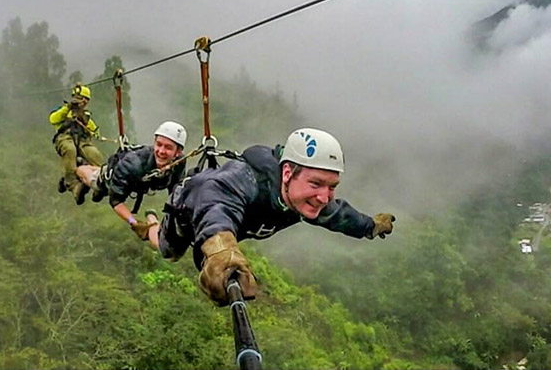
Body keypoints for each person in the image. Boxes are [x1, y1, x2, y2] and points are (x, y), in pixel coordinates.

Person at [155, 127, 395, 306]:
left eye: (332, 186)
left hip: (229, 222)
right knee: (170, 252)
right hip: (187, 210)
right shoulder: (246, 181)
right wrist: (220, 250)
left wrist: (370, 226)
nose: (323, 196)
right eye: (316, 183)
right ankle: (151, 228)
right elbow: (214, 201)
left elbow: (339, 215)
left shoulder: (304, 199)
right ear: (288, 173)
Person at [76, 121, 187, 243]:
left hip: (132, 180)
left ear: (178, 152)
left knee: (102, 175)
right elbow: (115, 201)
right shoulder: (133, 163)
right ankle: (80, 167)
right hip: (115, 176)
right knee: (95, 181)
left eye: (168, 147)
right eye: (159, 144)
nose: (161, 151)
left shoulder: (179, 163)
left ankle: (92, 168)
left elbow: (176, 190)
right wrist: (134, 223)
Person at [49, 83, 105, 204]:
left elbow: (95, 132)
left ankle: (100, 182)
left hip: (82, 140)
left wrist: (87, 125)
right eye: (81, 98)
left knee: (94, 154)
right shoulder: (65, 111)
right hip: (65, 138)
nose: (83, 102)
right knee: (70, 150)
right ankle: (72, 184)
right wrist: (68, 107)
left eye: (86, 100)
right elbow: (53, 119)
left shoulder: (85, 116)